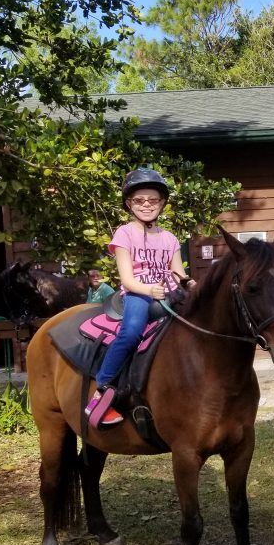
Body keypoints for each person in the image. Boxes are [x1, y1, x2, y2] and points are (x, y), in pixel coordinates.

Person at [85, 168, 194, 427]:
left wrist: (190, 283)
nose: (146, 205)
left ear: (162, 203)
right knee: (132, 331)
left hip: (168, 292)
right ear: (129, 204)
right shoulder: (124, 233)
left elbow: (178, 272)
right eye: (139, 200)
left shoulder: (169, 238)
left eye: (153, 200)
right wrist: (149, 290)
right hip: (138, 294)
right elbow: (126, 280)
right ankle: (102, 388)